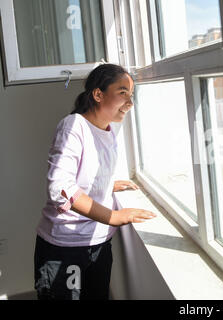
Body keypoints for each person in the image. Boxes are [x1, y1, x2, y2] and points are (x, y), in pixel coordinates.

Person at [34, 63, 157, 300]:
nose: (130, 103)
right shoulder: (73, 126)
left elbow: (84, 177)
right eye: (123, 93)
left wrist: (107, 185)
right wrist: (115, 216)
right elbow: (60, 188)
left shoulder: (109, 131)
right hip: (64, 246)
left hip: (99, 243)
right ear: (98, 94)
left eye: (131, 96)